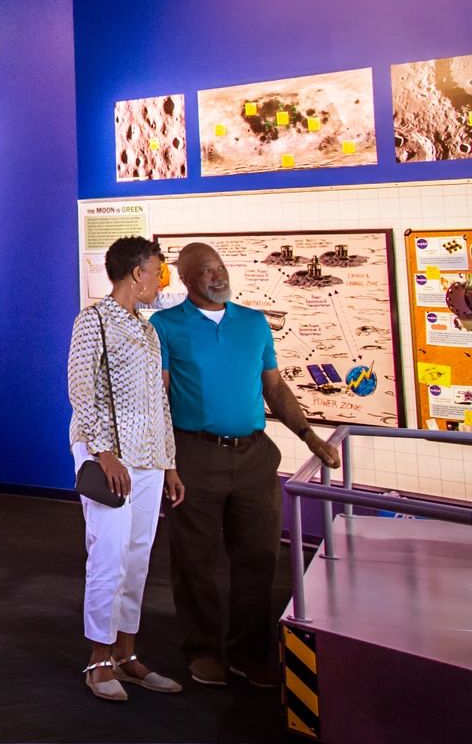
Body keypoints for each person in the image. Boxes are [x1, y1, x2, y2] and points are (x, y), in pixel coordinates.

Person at [153, 242, 342, 689]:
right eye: (205, 272)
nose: (217, 277)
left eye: (220, 268)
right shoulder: (164, 326)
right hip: (193, 455)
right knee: (195, 561)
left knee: (258, 558)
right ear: (185, 280)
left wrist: (310, 436)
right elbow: (158, 398)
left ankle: (248, 652)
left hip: (256, 457)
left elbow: (274, 389)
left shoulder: (254, 323)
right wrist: (166, 463)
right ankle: (203, 650)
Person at [67, 236, 185, 702]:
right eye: (158, 271)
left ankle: (126, 655)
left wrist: (170, 462)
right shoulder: (92, 320)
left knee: (137, 558)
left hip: (150, 458)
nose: (161, 280)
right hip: (108, 458)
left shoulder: (149, 330)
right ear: (137, 273)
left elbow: (161, 402)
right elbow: (80, 389)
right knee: (108, 556)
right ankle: (98, 661)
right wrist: (103, 451)